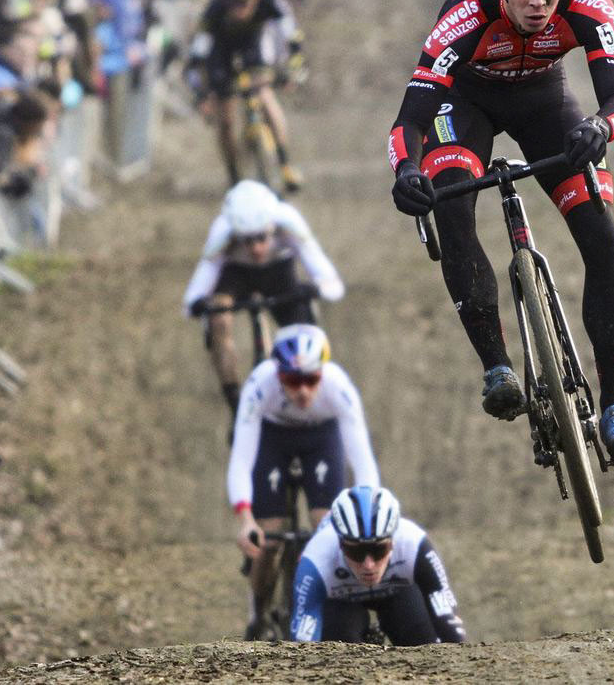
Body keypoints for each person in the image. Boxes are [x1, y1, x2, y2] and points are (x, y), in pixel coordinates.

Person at [386, 0, 614, 465]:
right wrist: (406, 170)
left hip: (544, 103)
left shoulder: (588, 5)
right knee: (452, 202)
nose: (537, 0)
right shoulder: (466, 14)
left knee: (601, 235)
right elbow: (409, 119)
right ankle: (498, 367)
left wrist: (600, 126)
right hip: (465, 102)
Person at [227, 324, 379, 639]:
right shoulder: (260, 385)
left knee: (329, 528)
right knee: (268, 541)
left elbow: (363, 460)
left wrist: (368, 515)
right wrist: (245, 520)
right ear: (277, 374)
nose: (303, 391)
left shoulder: (338, 386)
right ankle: (258, 613)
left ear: (322, 373)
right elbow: (241, 459)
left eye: (311, 380)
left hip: (321, 438)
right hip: (273, 437)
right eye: (292, 380)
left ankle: (332, 609)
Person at [183, 180, 344, 416]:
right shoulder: (222, 231)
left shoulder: (288, 221)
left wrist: (315, 288)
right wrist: (199, 305)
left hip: (278, 273)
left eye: (262, 238)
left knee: (304, 337)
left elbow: (331, 282)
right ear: (235, 234)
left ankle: (309, 390)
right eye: (246, 240)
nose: (256, 248)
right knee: (218, 317)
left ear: (273, 227)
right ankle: (234, 400)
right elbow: (197, 290)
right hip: (237, 276)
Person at [289, 485, 465, 645]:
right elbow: (303, 643)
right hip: (340, 603)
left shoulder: (414, 543)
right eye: (356, 552)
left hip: (397, 594)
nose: (369, 565)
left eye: (379, 550)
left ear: (393, 542)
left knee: (426, 642)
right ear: (340, 544)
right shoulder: (317, 557)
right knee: (338, 649)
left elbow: (448, 623)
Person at [185, 0, 304, 189]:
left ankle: (284, 163)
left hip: (254, 44)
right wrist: (201, 93)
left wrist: (294, 67)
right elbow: (196, 57)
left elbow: (292, 35)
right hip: (222, 50)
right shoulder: (215, 10)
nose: (239, 8)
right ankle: (234, 177)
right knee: (226, 119)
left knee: (265, 95)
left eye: (244, 1)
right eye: (233, 3)